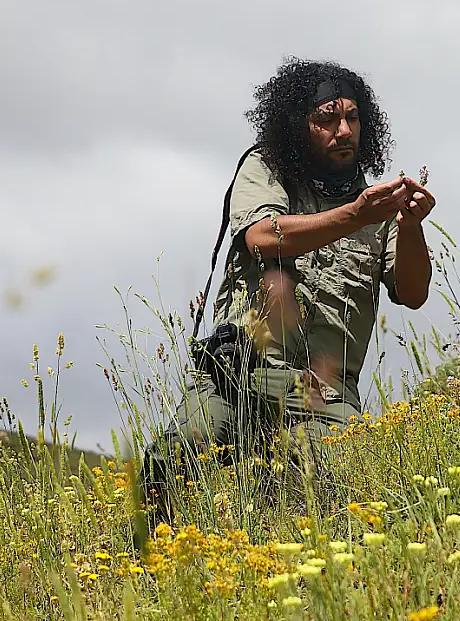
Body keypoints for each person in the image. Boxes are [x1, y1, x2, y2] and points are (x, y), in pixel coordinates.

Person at [139, 57, 436, 523]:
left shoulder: (379, 204)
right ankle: (150, 569)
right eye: (327, 120)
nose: (343, 130)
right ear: (299, 128)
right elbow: (262, 236)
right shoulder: (265, 169)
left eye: (352, 118)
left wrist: (411, 226)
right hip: (240, 372)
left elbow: (413, 292)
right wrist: (353, 217)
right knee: (170, 464)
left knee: (323, 500)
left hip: (325, 394)